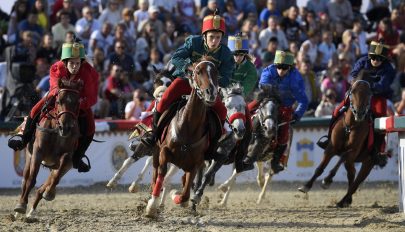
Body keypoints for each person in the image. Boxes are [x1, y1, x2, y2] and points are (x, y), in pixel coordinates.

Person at [141, 11, 234, 149]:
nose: (214, 41)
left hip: (207, 88)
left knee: (222, 111)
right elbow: (176, 58)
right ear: (204, 36)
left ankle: (215, 145)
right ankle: (153, 133)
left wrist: (211, 79)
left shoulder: (226, 53)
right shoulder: (193, 42)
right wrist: (191, 68)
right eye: (211, 37)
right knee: (165, 100)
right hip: (186, 81)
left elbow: (227, 77)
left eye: (218, 37)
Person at [8, 38, 99, 173]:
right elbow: (55, 88)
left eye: (77, 63)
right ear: (65, 62)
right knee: (34, 110)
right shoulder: (57, 67)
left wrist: (79, 102)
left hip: (79, 103)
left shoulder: (89, 73)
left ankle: (78, 157)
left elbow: (91, 97)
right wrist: (65, 97)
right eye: (72, 63)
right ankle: (24, 139)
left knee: (91, 127)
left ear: (82, 62)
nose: (75, 66)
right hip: (59, 98)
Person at [317, 40, 395, 165]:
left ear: (384, 59)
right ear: (369, 56)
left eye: (379, 59)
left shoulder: (388, 69)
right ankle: (329, 139)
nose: (376, 60)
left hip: (377, 96)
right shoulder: (362, 61)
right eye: (373, 57)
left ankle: (378, 150)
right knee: (337, 110)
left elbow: (383, 85)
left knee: (380, 118)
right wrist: (360, 87)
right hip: (358, 93)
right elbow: (352, 75)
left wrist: (367, 86)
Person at [243, 50, 308, 173]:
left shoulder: (296, 78)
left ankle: (275, 162)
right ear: (275, 65)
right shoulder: (268, 70)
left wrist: (297, 114)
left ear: (290, 67)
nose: (281, 70)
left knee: (284, 134)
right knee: (247, 109)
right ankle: (238, 137)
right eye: (279, 66)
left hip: (284, 105)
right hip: (267, 98)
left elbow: (303, 100)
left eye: (284, 68)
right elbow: (263, 86)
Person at [227, 33, 258, 97]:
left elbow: (246, 88)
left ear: (245, 54)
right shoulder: (225, 63)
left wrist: (237, 95)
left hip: (240, 97)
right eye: (235, 55)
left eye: (241, 55)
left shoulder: (251, 68)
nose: (238, 58)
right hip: (223, 94)